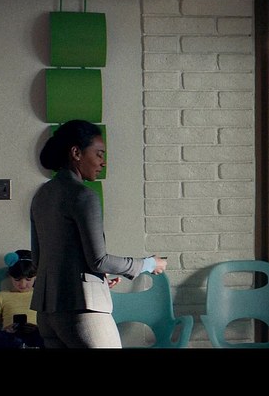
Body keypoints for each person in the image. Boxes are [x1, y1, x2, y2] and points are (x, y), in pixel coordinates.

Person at [30, 119, 167, 348]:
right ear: (76, 153)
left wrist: (96, 280)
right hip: (82, 312)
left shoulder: (41, 195)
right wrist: (149, 264)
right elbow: (99, 260)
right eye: (99, 154)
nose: (103, 162)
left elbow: (39, 259)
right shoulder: (83, 195)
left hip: (47, 314)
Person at [0, 249, 45, 349]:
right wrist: (6, 330)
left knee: (46, 335)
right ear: (10, 276)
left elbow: (49, 323)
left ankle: (22, 345)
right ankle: (20, 346)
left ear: (35, 276)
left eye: (28, 279)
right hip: (11, 338)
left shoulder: (40, 295)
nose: (23, 284)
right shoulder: (1, 296)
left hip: (35, 337)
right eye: (17, 279)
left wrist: (37, 328)